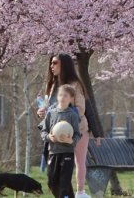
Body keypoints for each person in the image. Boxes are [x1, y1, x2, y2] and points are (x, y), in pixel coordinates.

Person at [37, 54, 100, 198]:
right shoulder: (52, 86)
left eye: (54, 63)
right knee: (53, 177)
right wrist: (43, 112)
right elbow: (49, 108)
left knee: (78, 163)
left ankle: (80, 193)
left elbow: (82, 108)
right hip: (55, 134)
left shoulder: (75, 84)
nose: (51, 66)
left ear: (64, 65)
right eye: (50, 63)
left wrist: (96, 133)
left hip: (77, 130)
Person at [40, 85, 81, 198]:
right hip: (53, 152)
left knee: (64, 183)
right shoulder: (50, 114)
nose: (62, 97)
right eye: (60, 95)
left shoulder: (72, 115)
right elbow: (43, 132)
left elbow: (78, 134)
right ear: (57, 97)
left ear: (71, 98)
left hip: (67, 153)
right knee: (52, 182)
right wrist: (49, 137)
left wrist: (70, 140)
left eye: (65, 95)